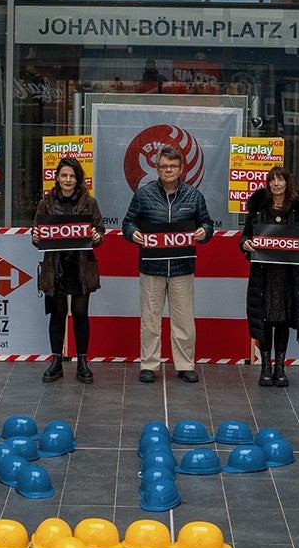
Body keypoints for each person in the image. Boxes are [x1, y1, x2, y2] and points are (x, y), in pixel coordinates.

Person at [121, 145, 215, 383]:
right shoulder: (143, 195)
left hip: (182, 268)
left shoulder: (194, 196)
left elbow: (207, 223)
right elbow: (128, 223)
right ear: (157, 169)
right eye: (164, 166)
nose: (168, 170)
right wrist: (134, 234)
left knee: (184, 320)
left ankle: (185, 365)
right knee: (150, 319)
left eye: (173, 166)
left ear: (181, 168)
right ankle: (149, 365)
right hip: (151, 268)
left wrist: (204, 231)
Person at [32, 156, 106, 384]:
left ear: (78, 179)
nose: (68, 179)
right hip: (56, 267)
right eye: (63, 175)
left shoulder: (89, 202)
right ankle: (56, 362)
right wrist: (35, 236)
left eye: (72, 176)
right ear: (56, 177)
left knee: (81, 313)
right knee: (58, 313)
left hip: (81, 265)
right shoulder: (45, 203)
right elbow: (36, 234)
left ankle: (82, 361)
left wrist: (97, 236)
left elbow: (100, 232)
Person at [240, 167, 299, 388]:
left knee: (282, 320)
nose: (276, 184)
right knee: (264, 319)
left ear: (287, 183)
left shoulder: (298, 210)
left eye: (280, 180)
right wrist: (244, 243)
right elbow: (245, 235)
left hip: (288, 274)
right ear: (268, 184)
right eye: (272, 180)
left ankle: (280, 366)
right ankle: (265, 366)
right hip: (263, 273)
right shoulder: (258, 210)